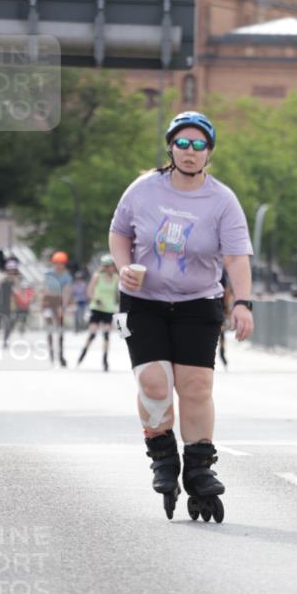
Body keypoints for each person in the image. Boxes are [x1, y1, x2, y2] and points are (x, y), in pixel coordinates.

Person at [108, 111, 254, 523]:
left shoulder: (222, 200)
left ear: (209, 152)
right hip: (143, 302)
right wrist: (123, 266)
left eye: (199, 145)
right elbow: (119, 232)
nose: (190, 152)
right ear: (171, 148)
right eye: (183, 144)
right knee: (153, 381)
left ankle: (199, 467)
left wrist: (242, 302)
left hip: (198, 302)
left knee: (195, 384)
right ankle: (162, 455)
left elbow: (236, 257)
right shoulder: (143, 189)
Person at [77, 255, 119, 371]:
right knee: (92, 334)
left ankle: (105, 360)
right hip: (96, 308)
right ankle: (83, 352)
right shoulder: (97, 276)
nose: (112, 268)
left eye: (113, 266)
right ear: (105, 267)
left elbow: (118, 294)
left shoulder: (116, 278)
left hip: (109, 309)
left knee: (106, 335)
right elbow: (89, 292)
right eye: (110, 266)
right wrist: (96, 299)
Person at [40, 251, 72, 366]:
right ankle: (51, 353)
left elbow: (67, 292)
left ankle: (61, 355)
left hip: (59, 302)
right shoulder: (48, 274)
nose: (59, 265)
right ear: (54, 263)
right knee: (49, 327)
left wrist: (63, 306)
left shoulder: (67, 277)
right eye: (57, 263)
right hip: (48, 302)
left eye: (62, 263)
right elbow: (44, 289)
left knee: (60, 330)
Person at [0, 259, 20, 346]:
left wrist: (16, 281)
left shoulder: (15, 279)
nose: (12, 271)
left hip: (8, 303)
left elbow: (18, 291)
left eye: (13, 269)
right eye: (10, 269)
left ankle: (5, 339)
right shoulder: (2, 277)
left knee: (9, 322)